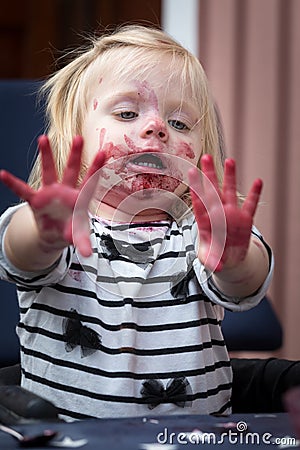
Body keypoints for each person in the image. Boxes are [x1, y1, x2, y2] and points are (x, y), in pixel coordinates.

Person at [0, 25, 273, 421]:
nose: (157, 127)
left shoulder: (199, 233)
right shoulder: (64, 231)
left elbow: (245, 286)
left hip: (193, 440)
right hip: (70, 441)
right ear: (76, 137)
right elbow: (19, 255)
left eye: (180, 123)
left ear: (199, 154)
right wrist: (42, 234)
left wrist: (233, 258)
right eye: (127, 113)